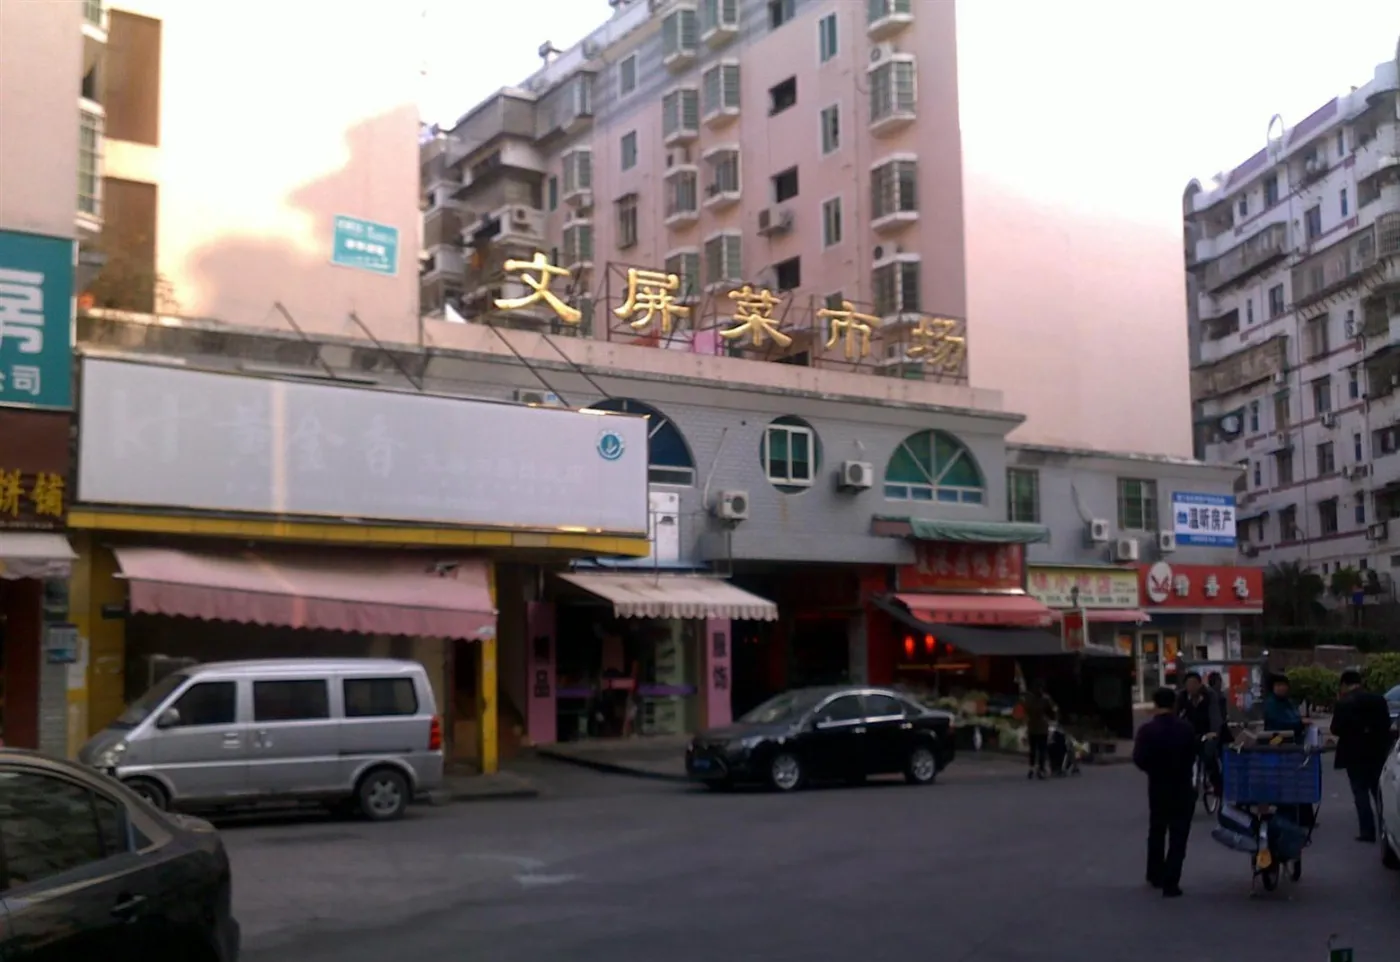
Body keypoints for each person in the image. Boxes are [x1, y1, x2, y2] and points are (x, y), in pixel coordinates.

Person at [1133, 686, 1198, 898]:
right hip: (1182, 785)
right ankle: (1171, 881)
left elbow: (1139, 758)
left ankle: (1155, 873)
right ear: (1174, 704)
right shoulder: (1186, 729)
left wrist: (1153, 769)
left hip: (1158, 785)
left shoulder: (1146, 730)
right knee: (1179, 834)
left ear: (1155, 704)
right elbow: (1193, 755)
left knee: (1157, 829)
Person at [1331, 669, 1395, 843]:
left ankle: (1367, 831)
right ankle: (1386, 827)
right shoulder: (1378, 700)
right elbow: (1386, 725)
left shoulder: (1344, 703)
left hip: (1353, 754)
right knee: (1378, 791)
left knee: (1360, 793)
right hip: (1376, 753)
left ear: (1344, 684)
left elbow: (1335, 728)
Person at [1176, 671, 1224, 794]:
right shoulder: (1181, 697)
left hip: (1207, 731)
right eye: (1188, 684)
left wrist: (1214, 732)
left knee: (1208, 754)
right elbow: (1176, 715)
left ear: (1200, 684)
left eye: (1194, 684)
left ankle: (1216, 783)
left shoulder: (1210, 695)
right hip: (1190, 732)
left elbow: (1215, 716)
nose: (1191, 687)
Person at [1020, 679, 1057, 780]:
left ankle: (1034, 768)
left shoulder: (1030, 699)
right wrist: (1053, 718)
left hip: (1035, 727)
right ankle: (1039, 768)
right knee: (1040, 749)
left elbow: (1026, 710)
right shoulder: (1044, 699)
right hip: (1040, 727)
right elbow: (1053, 711)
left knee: (1036, 749)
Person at [1262, 674, 1306, 744]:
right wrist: (1300, 723)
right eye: (1278, 685)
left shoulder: (1289, 702)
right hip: (1277, 741)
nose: (1282, 688)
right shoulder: (1270, 704)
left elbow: (1296, 716)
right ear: (1273, 687)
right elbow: (1279, 723)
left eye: (1284, 685)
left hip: (1293, 739)